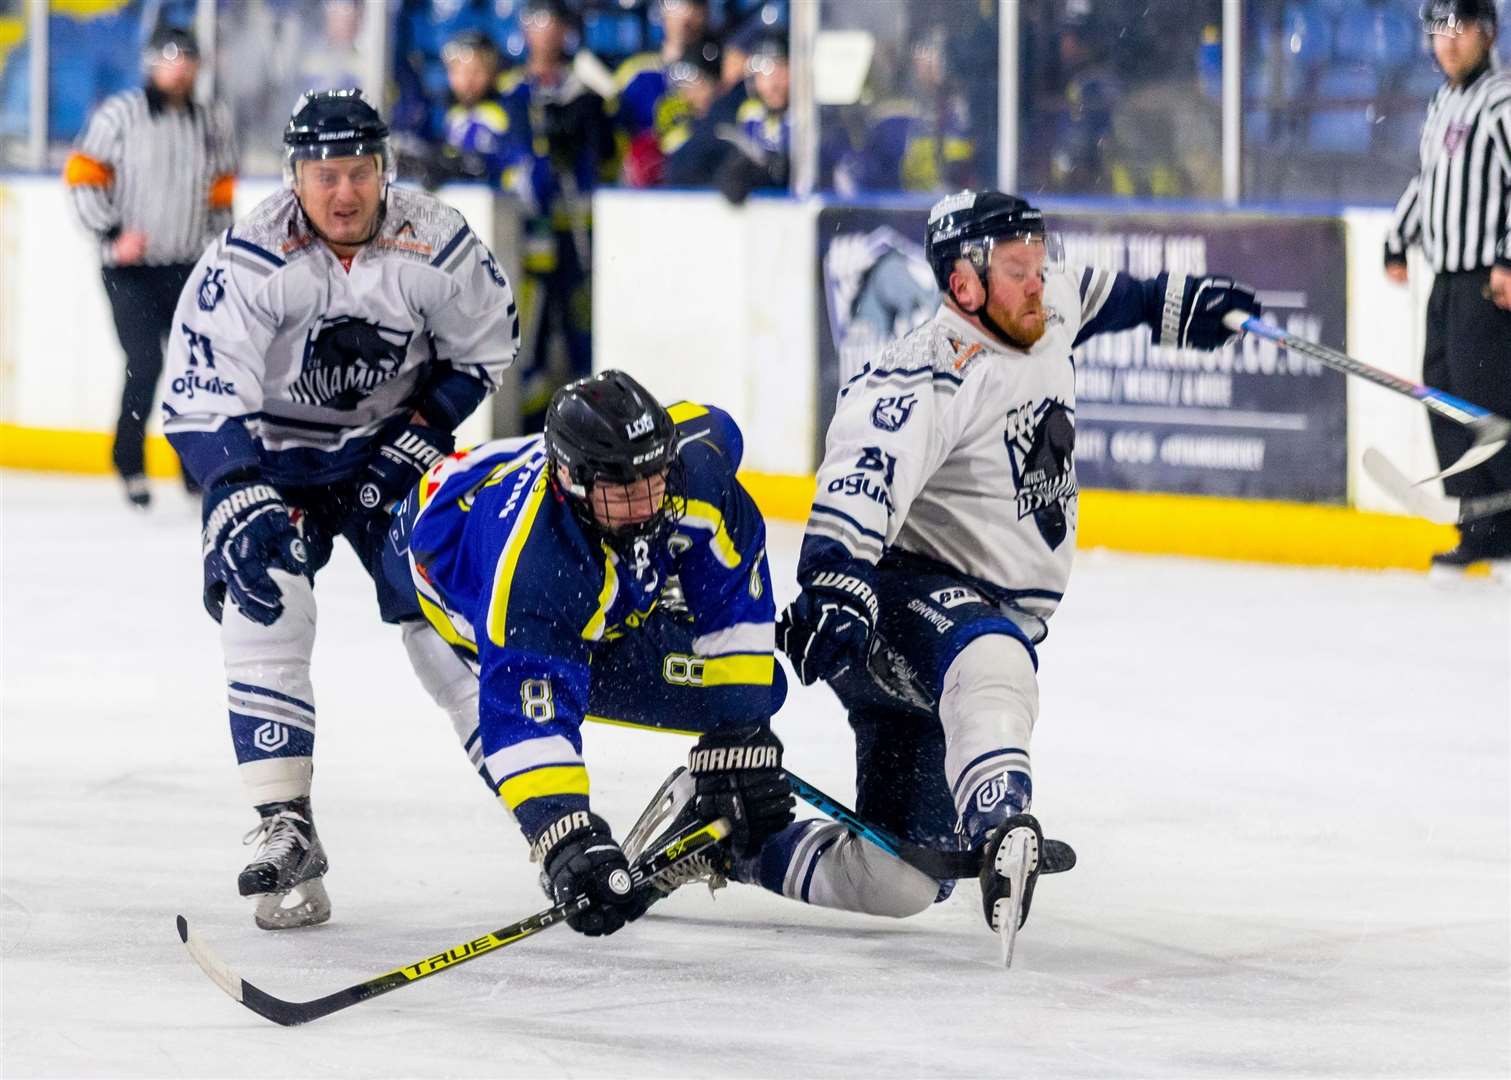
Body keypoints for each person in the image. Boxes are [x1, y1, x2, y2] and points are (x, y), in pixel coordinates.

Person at [773, 191, 1260, 943]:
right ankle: (1001, 818)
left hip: (956, 635)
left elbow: (1110, 295)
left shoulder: (1042, 304)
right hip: (897, 608)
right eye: (1016, 268)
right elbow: (858, 482)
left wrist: (1182, 305)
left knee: (901, 879)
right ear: (963, 284)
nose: (1038, 280)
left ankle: (735, 840)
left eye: (1038, 262)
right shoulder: (924, 375)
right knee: (993, 653)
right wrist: (835, 581)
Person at [160, 88, 519, 930]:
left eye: (359, 170)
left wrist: (424, 429)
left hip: (391, 450)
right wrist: (235, 484)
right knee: (262, 591)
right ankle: (285, 821)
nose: (344, 192)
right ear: (295, 176)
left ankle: (545, 812)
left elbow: (485, 346)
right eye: (325, 174)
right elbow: (199, 390)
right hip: (275, 459)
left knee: (448, 616)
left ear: (383, 167)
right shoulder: (249, 256)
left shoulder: (437, 241)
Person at [384, 371, 794, 936]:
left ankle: (642, 601)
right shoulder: (533, 573)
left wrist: (738, 735)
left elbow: (734, 591)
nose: (651, 503)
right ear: (571, 481)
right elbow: (529, 719)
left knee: (753, 685)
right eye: (626, 491)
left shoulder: (691, 464)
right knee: (542, 678)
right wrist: (566, 836)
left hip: (486, 488)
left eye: (657, 478)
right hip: (446, 576)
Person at [64, 25, 236, 508]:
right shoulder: (120, 115)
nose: (178, 66)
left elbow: (220, 194)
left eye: (187, 57)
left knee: (197, 369)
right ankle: (130, 462)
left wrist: (219, 254)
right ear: (150, 62)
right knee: (145, 362)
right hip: (129, 270)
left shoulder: (211, 121)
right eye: (168, 56)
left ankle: (192, 467)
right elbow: (81, 175)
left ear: (199, 65)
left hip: (187, 265)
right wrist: (112, 234)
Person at [1384, 0, 1511, 570]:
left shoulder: (1501, 99)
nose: (1448, 43)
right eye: (1439, 32)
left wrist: (1509, 260)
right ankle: (1481, 525)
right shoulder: (1442, 102)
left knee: (1489, 408)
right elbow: (1429, 179)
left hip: (1486, 286)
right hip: (1445, 283)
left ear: (1487, 35)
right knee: (1443, 399)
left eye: (1460, 31)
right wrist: (1397, 236)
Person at [498, 0, 614, 429]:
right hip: (532, 234)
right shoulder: (511, 90)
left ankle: (595, 432)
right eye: (535, 20)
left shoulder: (585, 88)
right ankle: (532, 432)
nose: (543, 30)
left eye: (551, 21)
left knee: (585, 337)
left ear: (566, 29)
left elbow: (607, 154)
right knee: (533, 339)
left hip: (579, 234)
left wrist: (594, 119)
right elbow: (511, 161)